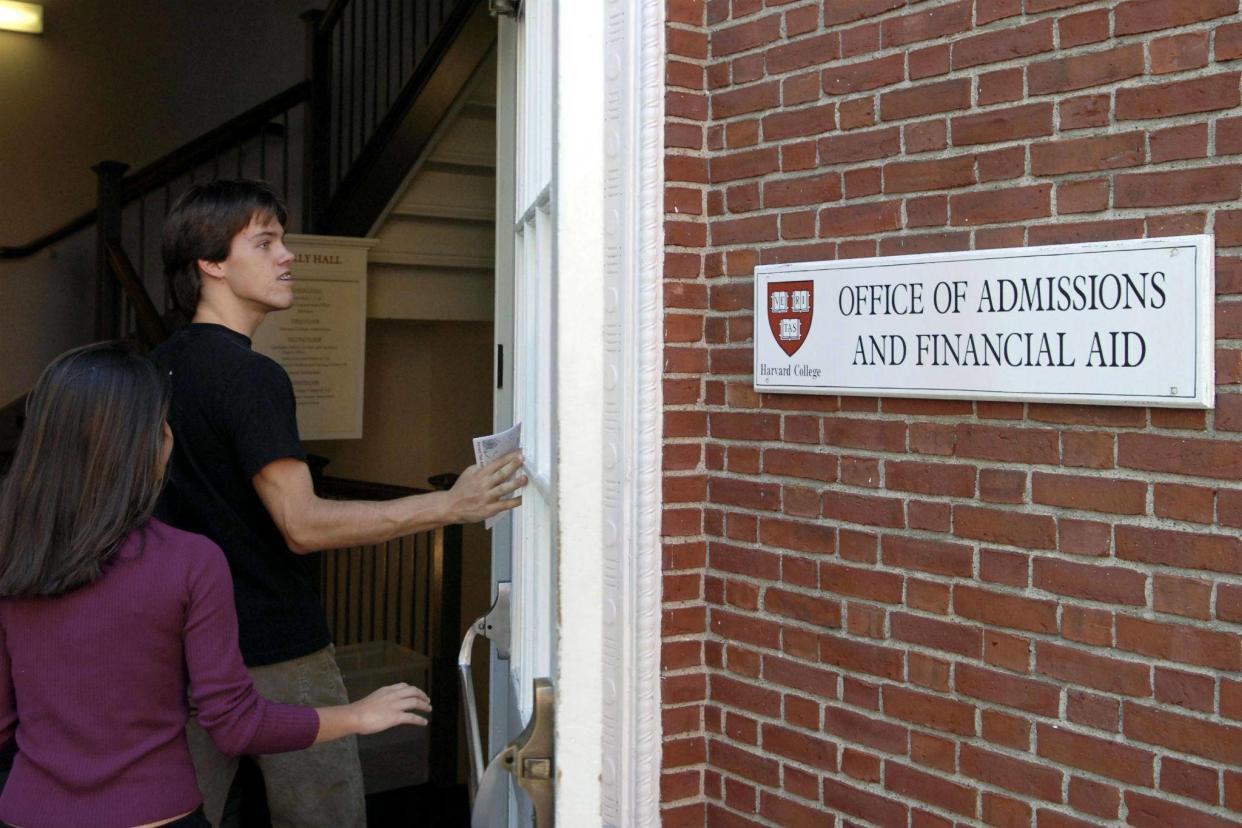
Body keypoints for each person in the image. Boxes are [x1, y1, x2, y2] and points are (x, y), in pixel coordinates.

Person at [152, 179, 525, 827]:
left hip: (181, 644)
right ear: (211, 263)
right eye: (266, 242)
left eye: (283, 240)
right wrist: (451, 505)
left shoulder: (155, 367)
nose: (288, 255)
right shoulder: (252, 376)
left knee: (183, 816)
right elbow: (303, 524)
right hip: (275, 647)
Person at [0, 342, 433, 828]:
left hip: (27, 812)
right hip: (154, 814)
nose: (169, 435)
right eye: (162, 423)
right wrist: (356, 715)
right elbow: (235, 724)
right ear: (145, 442)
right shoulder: (189, 561)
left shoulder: (12, 558)